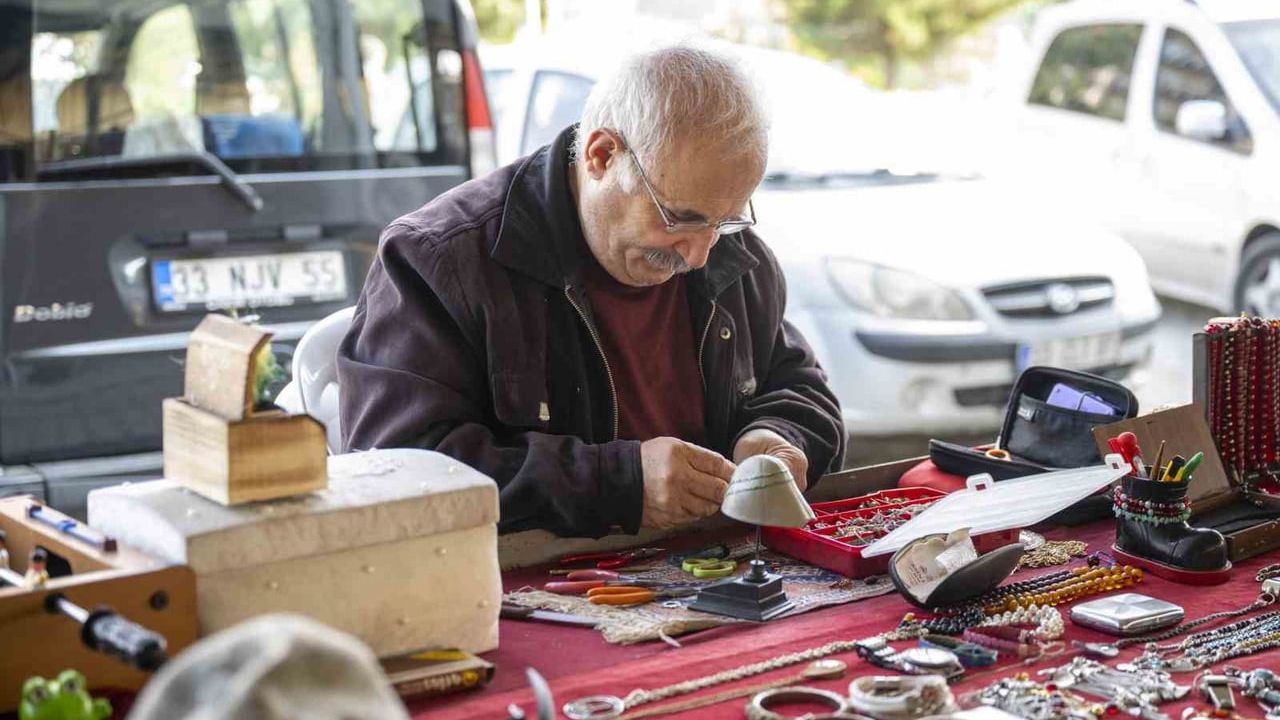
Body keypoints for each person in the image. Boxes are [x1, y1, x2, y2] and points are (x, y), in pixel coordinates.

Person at [338, 43, 845, 537]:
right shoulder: (437, 260)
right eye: (678, 219)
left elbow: (802, 388)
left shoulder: (734, 255)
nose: (698, 255)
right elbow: (397, 470)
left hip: (707, 568)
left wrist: (777, 439)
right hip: (512, 586)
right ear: (602, 155)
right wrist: (615, 483)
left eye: (726, 219)